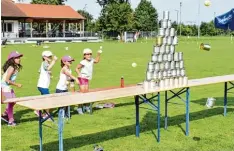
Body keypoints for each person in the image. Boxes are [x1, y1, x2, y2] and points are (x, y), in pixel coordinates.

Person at [75, 48, 102, 114]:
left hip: (87, 79)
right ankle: (79, 108)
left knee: (86, 93)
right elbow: (76, 68)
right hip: (82, 78)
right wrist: (79, 74)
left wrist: (98, 54)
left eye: (90, 54)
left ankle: (86, 107)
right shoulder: (83, 62)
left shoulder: (92, 60)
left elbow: (97, 61)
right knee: (82, 93)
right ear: (84, 55)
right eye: (87, 54)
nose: (89, 55)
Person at [1, 51, 23, 126]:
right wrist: (17, 84)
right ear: (12, 59)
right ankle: (11, 121)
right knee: (11, 103)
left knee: (14, 101)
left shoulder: (13, 67)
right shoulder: (12, 68)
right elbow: (7, 80)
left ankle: (5, 114)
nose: (19, 59)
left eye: (19, 57)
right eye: (17, 58)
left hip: (7, 87)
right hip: (4, 87)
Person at [35, 50, 57, 118]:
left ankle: (41, 112)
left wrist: (49, 74)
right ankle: (46, 115)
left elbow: (40, 71)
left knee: (44, 99)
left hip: (42, 85)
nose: (50, 57)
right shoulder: (45, 63)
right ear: (44, 57)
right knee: (48, 100)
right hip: (43, 85)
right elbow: (47, 68)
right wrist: (54, 61)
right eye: (48, 56)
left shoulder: (44, 63)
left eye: (51, 56)